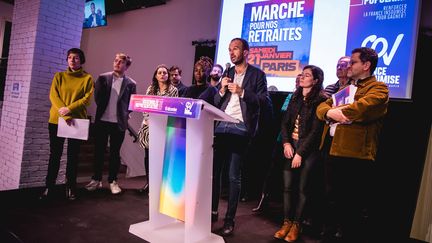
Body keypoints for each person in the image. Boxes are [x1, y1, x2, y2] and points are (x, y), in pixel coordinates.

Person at [316, 47, 389, 243]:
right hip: (331, 148)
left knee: (350, 205)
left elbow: (362, 108)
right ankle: (328, 236)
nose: (349, 65)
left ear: (366, 65)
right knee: (330, 199)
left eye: (353, 62)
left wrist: (334, 110)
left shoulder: (379, 88)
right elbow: (322, 107)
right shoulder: (346, 88)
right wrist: (329, 112)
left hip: (354, 154)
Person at [211, 37, 270, 236]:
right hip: (221, 126)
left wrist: (243, 91)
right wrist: (220, 89)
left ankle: (229, 220)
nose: (231, 52)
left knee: (233, 175)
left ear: (246, 52)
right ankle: (212, 211)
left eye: (235, 49)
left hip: (240, 127)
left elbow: (264, 100)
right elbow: (216, 101)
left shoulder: (257, 75)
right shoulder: (226, 73)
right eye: (229, 49)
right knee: (214, 172)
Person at [273, 65, 326, 242]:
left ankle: (297, 224)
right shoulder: (295, 96)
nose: (302, 77)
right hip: (291, 145)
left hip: (309, 150)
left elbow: (315, 132)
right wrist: (287, 143)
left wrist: (300, 153)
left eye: (307, 75)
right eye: (302, 74)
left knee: (303, 189)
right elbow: (285, 123)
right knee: (287, 187)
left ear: (316, 80)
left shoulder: (321, 100)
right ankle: (286, 222)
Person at [40, 48, 94, 200]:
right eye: (69, 57)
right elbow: (53, 95)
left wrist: (68, 109)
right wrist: (65, 114)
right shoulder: (59, 76)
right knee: (54, 155)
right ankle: (49, 187)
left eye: (76, 58)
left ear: (81, 60)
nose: (72, 60)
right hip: (56, 120)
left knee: (73, 156)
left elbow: (86, 100)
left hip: (76, 122)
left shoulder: (87, 78)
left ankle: (70, 187)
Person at [85, 53, 136, 195]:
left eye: (121, 62)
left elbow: (132, 103)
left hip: (118, 123)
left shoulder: (131, 83)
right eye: (116, 60)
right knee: (99, 152)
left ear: (127, 66)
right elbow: (97, 97)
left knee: (115, 153)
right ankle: (96, 179)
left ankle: (113, 181)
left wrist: (126, 115)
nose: (117, 63)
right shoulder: (103, 78)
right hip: (102, 121)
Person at [252, 74, 301, 212]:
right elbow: (284, 113)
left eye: (301, 79)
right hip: (283, 139)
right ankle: (264, 201)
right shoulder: (291, 97)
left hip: (299, 143)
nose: (298, 82)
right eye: (296, 80)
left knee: (296, 178)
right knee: (273, 170)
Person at [136, 64, 178, 194]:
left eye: (165, 73)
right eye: (159, 73)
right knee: (148, 156)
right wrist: (148, 119)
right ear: (156, 75)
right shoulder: (151, 88)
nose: (162, 75)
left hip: (164, 128)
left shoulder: (173, 90)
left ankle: (160, 186)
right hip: (149, 126)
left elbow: (174, 108)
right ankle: (149, 182)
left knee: (162, 157)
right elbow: (146, 106)